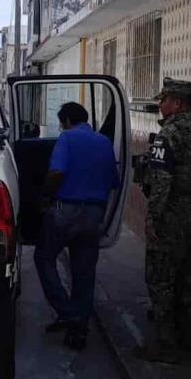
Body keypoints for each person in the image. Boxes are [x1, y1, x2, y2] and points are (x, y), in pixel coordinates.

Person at [137, 78, 191, 364]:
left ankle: (166, 345)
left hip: (171, 214)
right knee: (190, 278)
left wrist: (153, 219)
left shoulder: (168, 135)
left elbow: (161, 182)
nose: (160, 105)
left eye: (164, 100)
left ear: (178, 103)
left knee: (161, 279)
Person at [35, 101, 120, 351]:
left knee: (44, 257)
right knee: (84, 272)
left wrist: (44, 197)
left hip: (65, 211)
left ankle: (67, 311)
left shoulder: (67, 138)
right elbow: (113, 181)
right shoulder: (104, 142)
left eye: (62, 123)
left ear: (68, 121)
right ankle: (79, 328)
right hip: (94, 215)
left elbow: (56, 172)